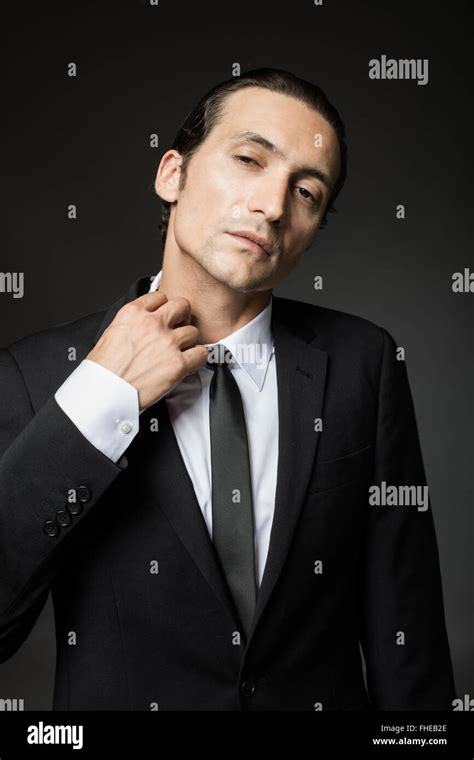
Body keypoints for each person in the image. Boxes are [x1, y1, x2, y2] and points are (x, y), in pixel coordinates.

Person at [0, 68, 455, 710]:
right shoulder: (39, 374)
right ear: (172, 175)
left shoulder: (364, 363)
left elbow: (407, 638)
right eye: (249, 159)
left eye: (307, 192)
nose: (272, 205)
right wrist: (100, 396)